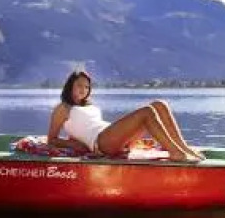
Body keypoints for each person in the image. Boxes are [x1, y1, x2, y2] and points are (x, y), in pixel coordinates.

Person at [46, 68, 203, 161]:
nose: (84, 90)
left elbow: (83, 127)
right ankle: (175, 153)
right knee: (147, 111)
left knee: (160, 105)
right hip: (101, 143)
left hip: (112, 137)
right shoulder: (63, 108)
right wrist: (72, 144)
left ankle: (183, 148)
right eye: (79, 85)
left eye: (87, 87)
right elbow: (51, 139)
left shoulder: (89, 105)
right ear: (70, 86)